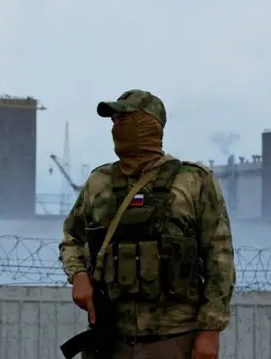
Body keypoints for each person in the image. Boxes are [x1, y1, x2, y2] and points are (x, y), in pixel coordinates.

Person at [58, 89, 236, 359]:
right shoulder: (100, 182)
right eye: (113, 122)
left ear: (149, 123)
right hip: (110, 338)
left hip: (174, 337)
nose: (116, 128)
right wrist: (78, 275)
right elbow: (72, 237)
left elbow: (219, 257)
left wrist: (210, 331)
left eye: (124, 120)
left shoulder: (193, 181)